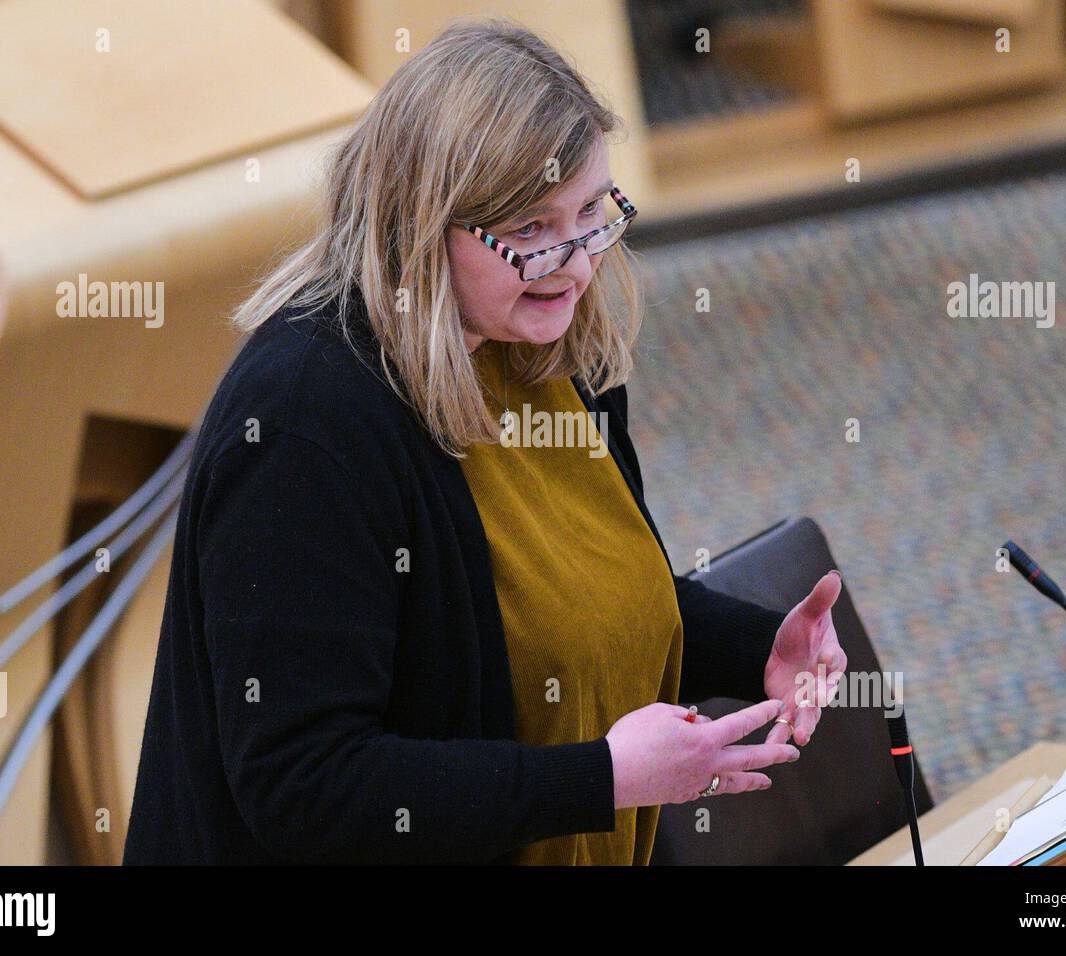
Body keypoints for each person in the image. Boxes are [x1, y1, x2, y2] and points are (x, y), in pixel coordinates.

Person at [123, 16, 846, 866]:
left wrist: (758, 646)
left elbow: (576, 597)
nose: (574, 264)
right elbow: (305, 785)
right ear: (422, 222)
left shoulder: (544, 343)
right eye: (530, 231)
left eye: (591, 213)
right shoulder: (301, 427)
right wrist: (601, 779)